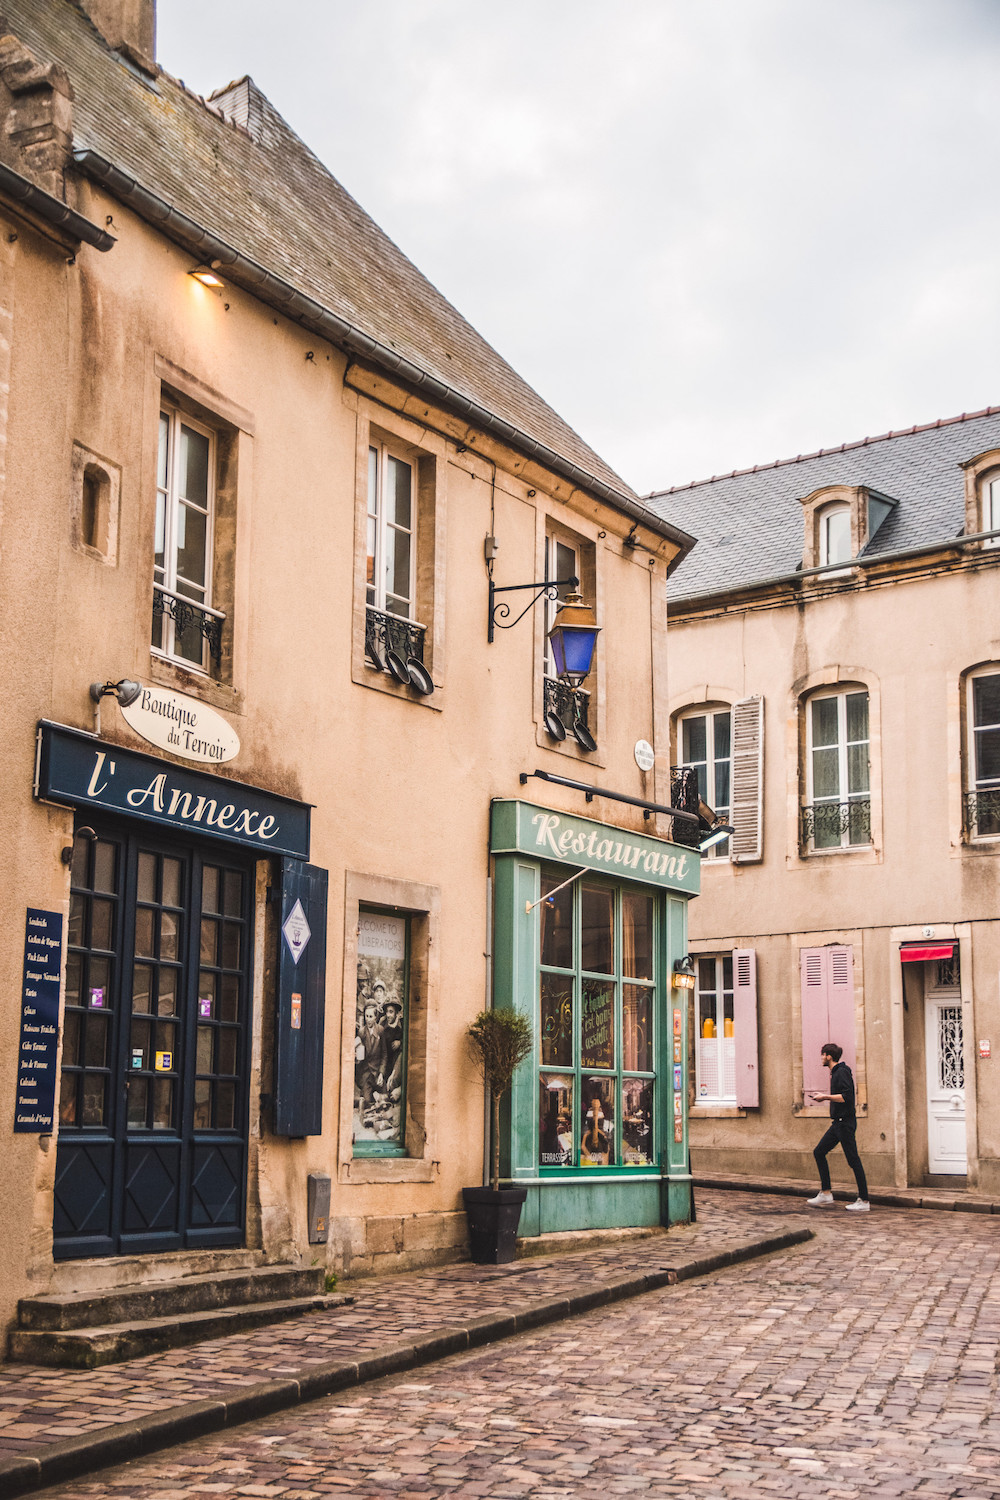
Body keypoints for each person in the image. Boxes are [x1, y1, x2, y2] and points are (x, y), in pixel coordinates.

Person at [807, 1042, 870, 1212]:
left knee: (853, 1160)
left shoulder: (841, 1072)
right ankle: (826, 1193)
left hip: (845, 1123)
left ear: (829, 1056)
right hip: (838, 1124)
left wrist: (825, 1097)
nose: (821, 1058)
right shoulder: (836, 1072)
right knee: (819, 1152)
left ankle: (864, 1200)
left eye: (822, 1055)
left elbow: (847, 1097)